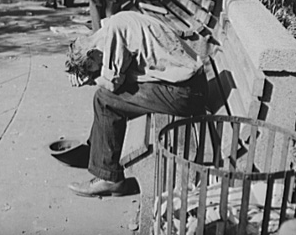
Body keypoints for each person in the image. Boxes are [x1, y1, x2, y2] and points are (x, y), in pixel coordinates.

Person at [64, 11, 208, 197]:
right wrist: (93, 76)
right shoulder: (114, 24)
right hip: (189, 86)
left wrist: (91, 81)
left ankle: (110, 179)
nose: (96, 70)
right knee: (107, 97)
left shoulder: (115, 34)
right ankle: (96, 154)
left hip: (186, 94)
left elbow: (112, 84)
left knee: (104, 99)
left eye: (92, 68)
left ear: (92, 54)